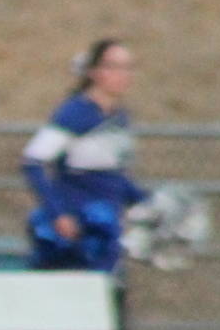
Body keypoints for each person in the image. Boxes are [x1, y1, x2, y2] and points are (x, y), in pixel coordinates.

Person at [21, 38, 144, 272]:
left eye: (128, 67)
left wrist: (146, 202)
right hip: (76, 229)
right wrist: (58, 214)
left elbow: (112, 175)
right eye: (113, 67)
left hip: (107, 226)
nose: (123, 75)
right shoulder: (75, 113)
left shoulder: (119, 118)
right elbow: (33, 163)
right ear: (94, 72)